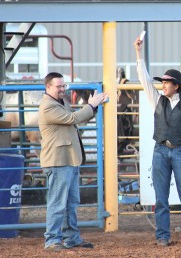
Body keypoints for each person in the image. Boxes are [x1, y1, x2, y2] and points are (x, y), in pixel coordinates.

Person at [134, 35, 181, 246]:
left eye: (166, 82)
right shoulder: (159, 99)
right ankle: (164, 236)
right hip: (163, 150)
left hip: (180, 151)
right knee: (162, 199)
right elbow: (143, 78)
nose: (162, 85)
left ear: (176, 86)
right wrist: (138, 54)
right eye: (163, 82)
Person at [39, 72, 108, 252]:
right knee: (57, 203)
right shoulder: (48, 106)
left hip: (68, 159)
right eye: (58, 86)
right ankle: (52, 240)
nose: (62, 89)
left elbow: (76, 119)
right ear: (48, 87)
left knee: (71, 202)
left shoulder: (60, 103)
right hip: (58, 160)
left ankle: (71, 238)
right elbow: (73, 119)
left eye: (63, 86)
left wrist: (92, 108)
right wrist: (91, 105)